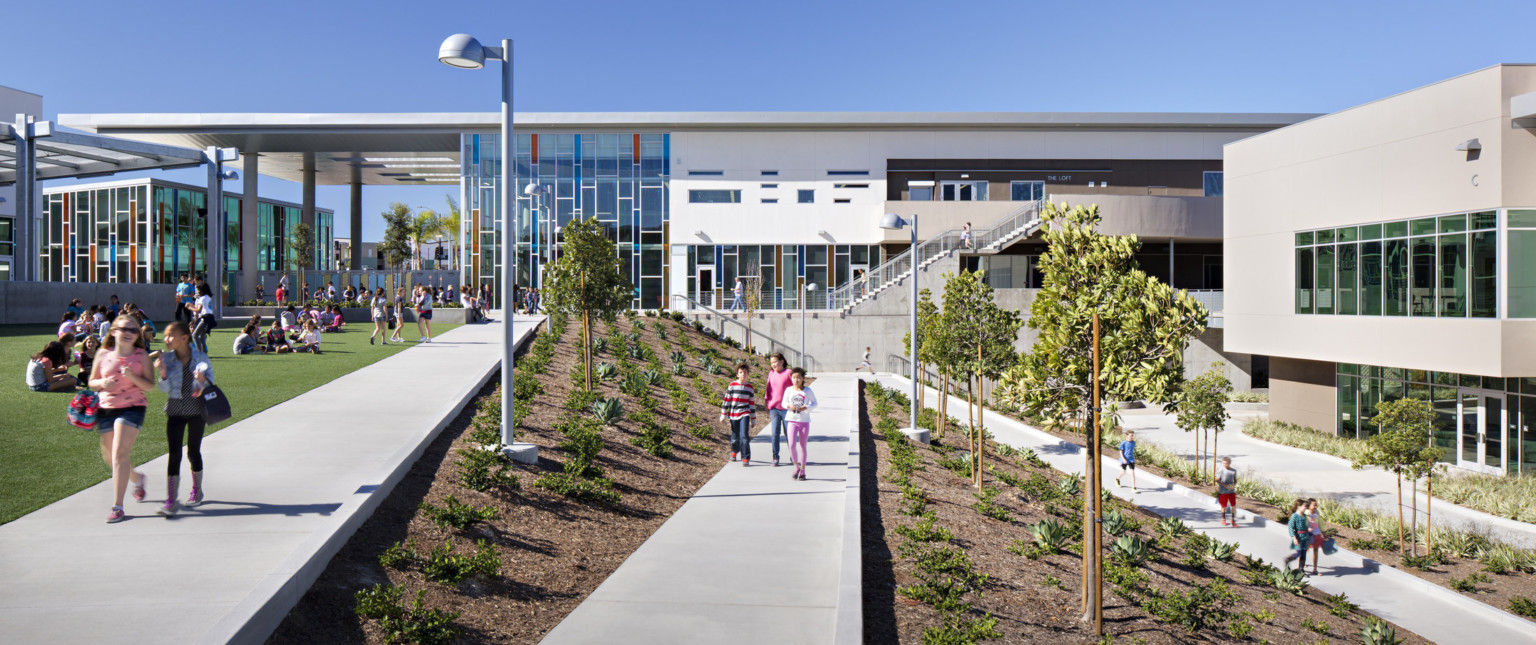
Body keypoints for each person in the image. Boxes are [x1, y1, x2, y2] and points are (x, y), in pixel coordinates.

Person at [90, 316, 156, 523]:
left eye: (133, 330)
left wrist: (132, 377)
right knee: (111, 458)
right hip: (106, 407)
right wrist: (102, 382)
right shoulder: (103, 354)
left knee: (119, 453)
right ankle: (138, 479)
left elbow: (149, 385)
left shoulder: (141, 355)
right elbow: (91, 381)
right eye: (124, 328)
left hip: (133, 407)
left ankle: (117, 507)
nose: (129, 333)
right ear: (113, 331)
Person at [154, 322, 213, 517]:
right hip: (175, 410)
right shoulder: (168, 359)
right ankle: (171, 499)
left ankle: (197, 490)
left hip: (197, 411)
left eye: (171, 335)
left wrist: (202, 381)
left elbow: (211, 385)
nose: (166, 339)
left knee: (193, 452)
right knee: (174, 454)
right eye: (166, 335)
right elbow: (164, 390)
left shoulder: (200, 358)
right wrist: (162, 373)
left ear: (185, 338)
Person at [783, 367, 819, 481]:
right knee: (792, 445)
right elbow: (783, 403)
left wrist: (806, 407)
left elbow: (815, 403)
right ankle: (796, 467)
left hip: (804, 421)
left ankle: (803, 471)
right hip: (791, 421)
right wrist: (789, 406)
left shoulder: (807, 391)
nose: (796, 380)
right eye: (794, 377)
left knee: (803, 446)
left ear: (803, 378)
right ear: (791, 378)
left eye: (799, 377)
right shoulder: (789, 390)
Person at [720, 363, 757, 466]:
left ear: (748, 374)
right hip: (733, 414)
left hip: (744, 413)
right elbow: (726, 400)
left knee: (744, 435)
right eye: (741, 372)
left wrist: (753, 419)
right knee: (735, 436)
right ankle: (734, 451)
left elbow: (751, 404)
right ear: (737, 374)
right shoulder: (732, 385)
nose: (743, 374)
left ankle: (745, 457)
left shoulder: (750, 388)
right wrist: (723, 414)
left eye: (745, 373)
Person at [763, 353, 793, 467]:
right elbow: (768, 389)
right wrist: (766, 403)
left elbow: (795, 388)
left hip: (786, 409)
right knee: (775, 434)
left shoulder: (788, 373)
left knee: (789, 433)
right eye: (771, 363)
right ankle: (775, 457)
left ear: (782, 361)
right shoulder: (771, 373)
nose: (773, 364)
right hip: (774, 409)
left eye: (775, 362)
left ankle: (793, 455)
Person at [1282, 499, 1312, 573]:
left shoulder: (1305, 516)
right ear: (1299, 506)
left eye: (1306, 506)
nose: (1305, 508)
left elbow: (1306, 525)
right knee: (1299, 553)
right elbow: (1291, 528)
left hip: (1305, 537)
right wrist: (1294, 538)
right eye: (1304, 506)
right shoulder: (1294, 516)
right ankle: (1288, 559)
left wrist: (1309, 528)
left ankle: (1301, 569)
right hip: (1298, 537)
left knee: (1304, 553)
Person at [189, 282, 216, 354]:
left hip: (205, 318)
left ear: (202, 290)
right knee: (201, 337)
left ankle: (200, 353)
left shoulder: (202, 298)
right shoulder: (208, 297)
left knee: (194, 335)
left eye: (198, 290)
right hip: (211, 318)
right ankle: (204, 352)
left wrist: (189, 307)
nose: (197, 292)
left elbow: (198, 310)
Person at [1216, 456, 1239, 526]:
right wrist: (1225, 486)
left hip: (1231, 491)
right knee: (1224, 506)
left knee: (1233, 506)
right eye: (1223, 463)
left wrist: (1234, 485)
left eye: (1226, 463)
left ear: (1229, 463)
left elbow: (1235, 480)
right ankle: (1223, 519)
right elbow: (1217, 480)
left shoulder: (1234, 471)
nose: (1224, 465)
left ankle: (1232, 519)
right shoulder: (1221, 470)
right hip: (1223, 491)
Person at [1305, 498, 1325, 575]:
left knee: (1316, 551)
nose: (1315, 507)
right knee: (1305, 550)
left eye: (1316, 505)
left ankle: (1315, 569)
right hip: (1308, 535)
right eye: (1314, 505)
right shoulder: (1305, 514)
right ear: (1309, 505)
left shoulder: (1317, 513)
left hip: (1316, 534)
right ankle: (1302, 566)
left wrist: (1323, 533)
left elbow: (1320, 523)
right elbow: (1302, 524)